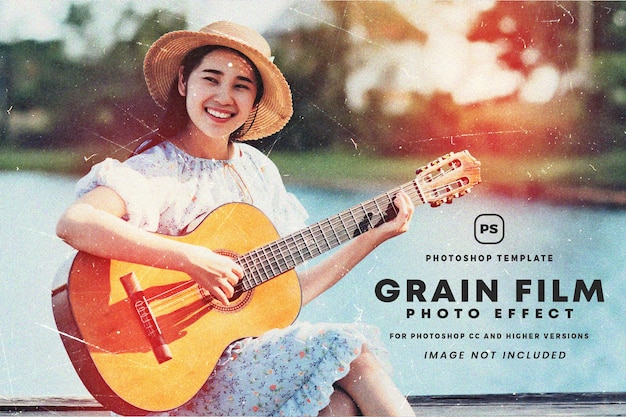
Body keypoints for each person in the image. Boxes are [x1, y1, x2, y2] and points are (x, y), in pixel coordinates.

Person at [56, 21, 415, 417]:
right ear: (183, 83)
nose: (224, 97)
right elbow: (76, 222)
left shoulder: (259, 173)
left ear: (255, 99)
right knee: (354, 349)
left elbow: (288, 295)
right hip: (178, 380)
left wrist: (371, 237)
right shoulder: (156, 171)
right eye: (211, 79)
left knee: (339, 408)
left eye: (241, 85)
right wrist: (192, 260)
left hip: (242, 368)